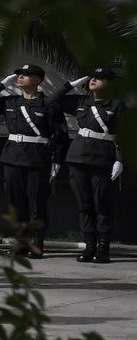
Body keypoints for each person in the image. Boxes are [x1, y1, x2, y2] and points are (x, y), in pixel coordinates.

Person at [0, 64, 62, 258]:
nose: (20, 77)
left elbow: (60, 134)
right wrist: (1, 86)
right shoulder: (10, 102)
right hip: (12, 157)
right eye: (19, 75)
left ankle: (37, 244)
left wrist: (57, 160)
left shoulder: (48, 103)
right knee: (16, 204)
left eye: (25, 75)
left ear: (37, 80)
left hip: (37, 159)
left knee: (37, 204)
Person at [61, 70, 122, 262]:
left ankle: (103, 248)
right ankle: (89, 246)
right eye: (91, 77)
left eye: (100, 78)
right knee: (84, 203)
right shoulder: (81, 101)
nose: (93, 80)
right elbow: (51, 102)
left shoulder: (117, 105)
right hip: (78, 157)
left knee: (102, 203)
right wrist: (71, 85)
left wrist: (120, 160)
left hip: (103, 158)